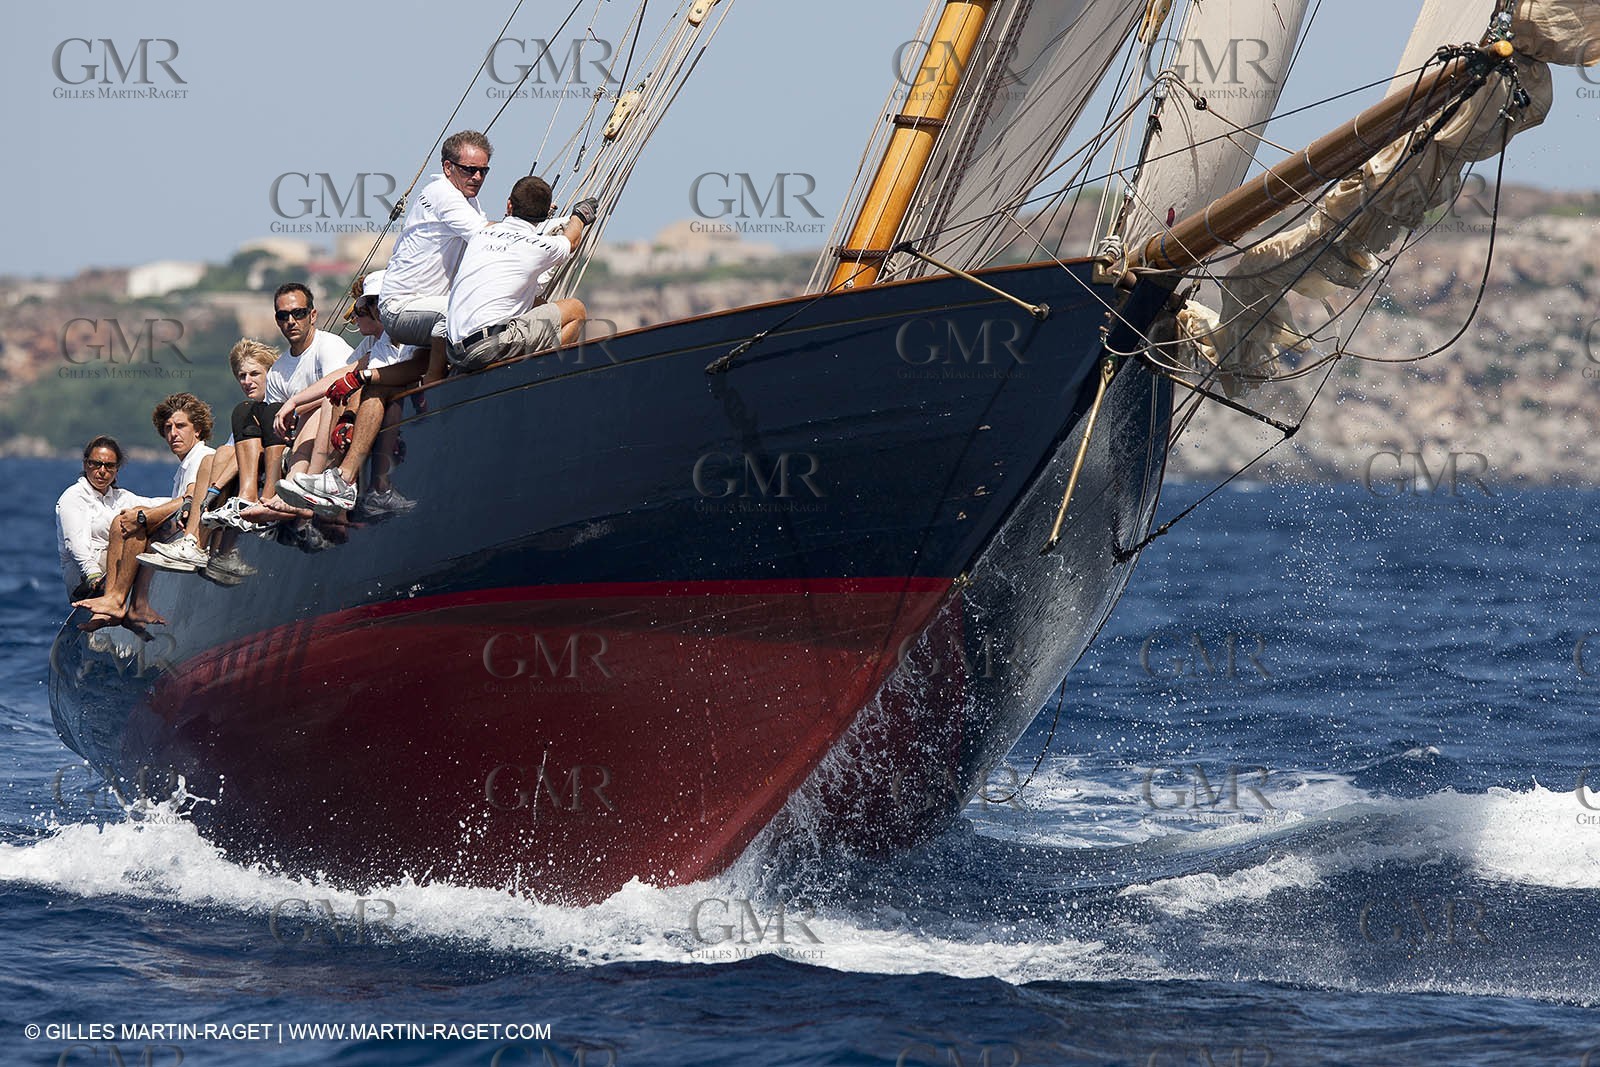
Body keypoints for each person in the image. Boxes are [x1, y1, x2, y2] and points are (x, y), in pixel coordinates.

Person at [276, 272, 426, 516]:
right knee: (338, 391)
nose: (357, 318)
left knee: (366, 385)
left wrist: (359, 385)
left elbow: (416, 368)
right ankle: (327, 482)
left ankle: (341, 481)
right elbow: (343, 376)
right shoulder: (380, 342)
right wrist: (294, 402)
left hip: (407, 408)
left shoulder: (414, 328)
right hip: (382, 409)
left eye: (363, 309)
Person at [72, 394, 215, 630]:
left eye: (180, 426)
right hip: (180, 529)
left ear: (197, 430)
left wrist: (144, 515)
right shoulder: (186, 463)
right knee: (122, 520)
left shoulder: (201, 457)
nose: (173, 434)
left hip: (196, 537)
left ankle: (121, 601)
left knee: (133, 518)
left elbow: (190, 499)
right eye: (167, 428)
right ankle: (115, 600)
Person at [143, 339, 283, 576]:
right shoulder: (249, 413)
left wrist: (214, 489)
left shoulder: (277, 406)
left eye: (254, 374)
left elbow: (254, 452)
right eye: (241, 376)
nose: (246, 382)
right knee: (212, 459)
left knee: (221, 455)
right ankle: (195, 541)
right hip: (244, 471)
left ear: (270, 373)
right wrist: (194, 499)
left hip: (274, 465)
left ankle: (202, 542)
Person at [445, 175, 594, 373]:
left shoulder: (480, 235)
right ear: (544, 216)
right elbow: (572, 240)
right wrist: (580, 215)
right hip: (485, 347)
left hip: (453, 350)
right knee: (576, 310)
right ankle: (537, 375)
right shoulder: (540, 246)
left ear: (509, 206)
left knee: (538, 303)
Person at [379, 130, 492, 385]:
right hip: (400, 308)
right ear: (448, 167)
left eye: (483, 171)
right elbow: (485, 236)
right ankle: (434, 381)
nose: (477, 177)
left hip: (428, 306)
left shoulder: (468, 201)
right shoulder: (442, 194)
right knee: (457, 313)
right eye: (469, 170)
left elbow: (488, 233)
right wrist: (530, 227)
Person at [236, 284, 353, 523]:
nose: (291, 320)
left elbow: (344, 389)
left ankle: (296, 491)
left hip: (338, 428)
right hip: (295, 440)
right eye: (283, 316)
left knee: (319, 407)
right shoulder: (278, 370)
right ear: (277, 320)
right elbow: (274, 419)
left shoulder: (329, 346)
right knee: (245, 414)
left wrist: (297, 407)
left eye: (298, 313)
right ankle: (261, 496)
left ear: (312, 315)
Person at [55, 436, 164, 603]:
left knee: (146, 516)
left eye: (109, 466)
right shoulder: (74, 497)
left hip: (114, 572)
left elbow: (156, 504)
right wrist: (93, 575)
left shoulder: (121, 497)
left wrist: (190, 499)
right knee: (137, 531)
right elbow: (75, 544)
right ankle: (132, 604)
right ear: (86, 465)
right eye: (96, 464)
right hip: (85, 580)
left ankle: (140, 604)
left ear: (117, 469)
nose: (102, 470)